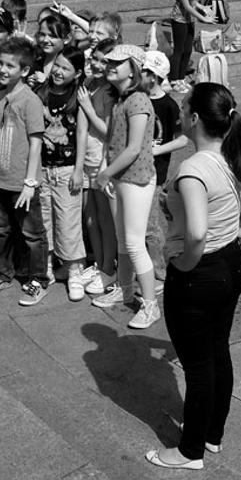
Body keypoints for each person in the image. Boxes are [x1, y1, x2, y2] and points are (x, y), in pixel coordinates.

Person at [145, 83, 241, 470]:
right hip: (231, 264)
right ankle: (212, 435)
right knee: (217, 350)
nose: (179, 108)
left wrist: (186, 263)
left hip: (199, 274)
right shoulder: (239, 154)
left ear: (193, 118)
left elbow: (196, 232)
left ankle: (189, 452)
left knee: (198, 365)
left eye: (184, 103)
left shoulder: (192, 169)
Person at [0, 38, 51, 306]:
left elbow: (36, 143)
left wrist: (30, 182)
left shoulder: (29, 101)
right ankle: (2, 273)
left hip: (21, 183)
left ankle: (38, 279)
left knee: (32, 234)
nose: (3, 70)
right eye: (1, 64)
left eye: (10, 65)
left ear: (25, 70)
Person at [92, 45, 160, 329]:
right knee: (124, 238)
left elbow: (133, 149)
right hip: (122, 177)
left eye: (117, 62)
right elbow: (114, 140)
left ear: (132, 68)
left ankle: (150, 304)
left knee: (133, 241)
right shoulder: (121, 99)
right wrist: (107, 172)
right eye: (109, 61)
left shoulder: (138, 101)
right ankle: (125, 288)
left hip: (136, 178)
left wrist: (105, 173)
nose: (110, 65)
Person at [37, 46, 89, 297]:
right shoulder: (41, 92)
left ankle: (75, 270)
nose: (58, 71)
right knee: (44, 219)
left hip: (67, 169)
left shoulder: (79, 96)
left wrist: (79, 169)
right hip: (43, 168)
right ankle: (47, 264)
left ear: (77, 72)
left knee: (68, 221)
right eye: (57, 65)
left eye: (65, 68)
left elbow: (81, 133)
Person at [76, 38, 118, 296]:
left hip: (103, 162)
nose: (99, 65)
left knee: (105, 219)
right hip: (88, 162)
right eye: (96, 59)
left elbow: (110, 132)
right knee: (90, 219)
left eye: (106, 61)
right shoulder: (88, 84)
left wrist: (90, 109)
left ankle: (108, 268)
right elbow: (81, 131)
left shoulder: (112, 92)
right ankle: (98, 263)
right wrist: (78, 165)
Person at [143, 51, 184, 288]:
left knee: (151, 224)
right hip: (134, 170)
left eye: (144, 71)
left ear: (154, 76)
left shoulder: (168, 105)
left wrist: (157, 150)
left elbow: (182, 139)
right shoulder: (137, 97)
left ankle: (160, 269)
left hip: (155, 171)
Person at [169, 0, 216, 92]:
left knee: (188, 50)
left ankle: (182, 78)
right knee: (179, 50)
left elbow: (193, 1)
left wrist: (204, 8)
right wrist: (203, 18)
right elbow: (186, 6)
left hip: (189, 19)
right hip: (179, 19)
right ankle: (174, 79)